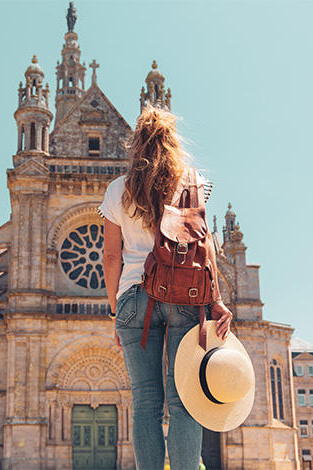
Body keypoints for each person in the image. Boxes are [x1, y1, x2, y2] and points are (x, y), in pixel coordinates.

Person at [100, 105, 233, 470]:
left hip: (132, 299)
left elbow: (111, 258)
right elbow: (206, 248)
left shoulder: (116, 189)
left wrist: (116, 313)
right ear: (172, 143)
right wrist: (216, 300)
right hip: (182, 295)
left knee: (145, 401)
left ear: (135, 144)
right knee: (182, 401)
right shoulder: (192, 182)